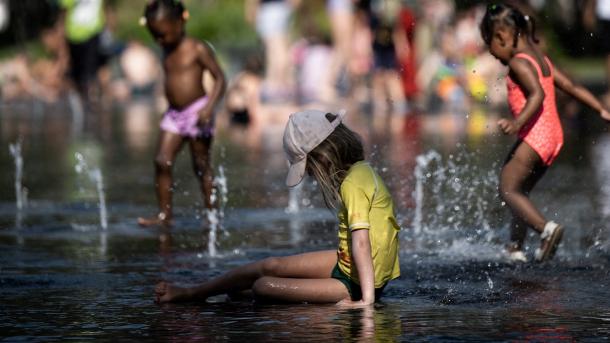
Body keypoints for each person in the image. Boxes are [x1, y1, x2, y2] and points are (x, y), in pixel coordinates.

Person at [154, 110, 401, 305]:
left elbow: (361, 242)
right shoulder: (361, 172)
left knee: (264, 285)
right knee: (271, 265)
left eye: (309, 169)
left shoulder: (353, 184)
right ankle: (195, 292)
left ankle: (224, 293)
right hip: (351, 266)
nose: (312, 177)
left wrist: (367, 301)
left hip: (357, 283)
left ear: (323, 157)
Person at [479, 3, 610, 262]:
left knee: (507, 188)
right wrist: (600, 109)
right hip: (553, 137)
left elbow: (537, 95)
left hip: (534, 135)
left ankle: (546, 230)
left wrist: (516, 125)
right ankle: (515, 248)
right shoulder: (542, 60)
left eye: (489, 44)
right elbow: (570, 86)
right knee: (519, 191)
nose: (492, 53)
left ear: (502, 36)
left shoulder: (519, 63)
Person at [137, 0, 226, 227]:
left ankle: (212, 214)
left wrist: (209, 107)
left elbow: (220, 79)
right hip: (174, 115)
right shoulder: (166, 46)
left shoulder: (197, 49)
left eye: (163, 35)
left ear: (180, 22)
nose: (160, 40)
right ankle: (165, 215)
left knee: (201, 166)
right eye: (155, 35)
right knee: (161, 161)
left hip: (198, 113)